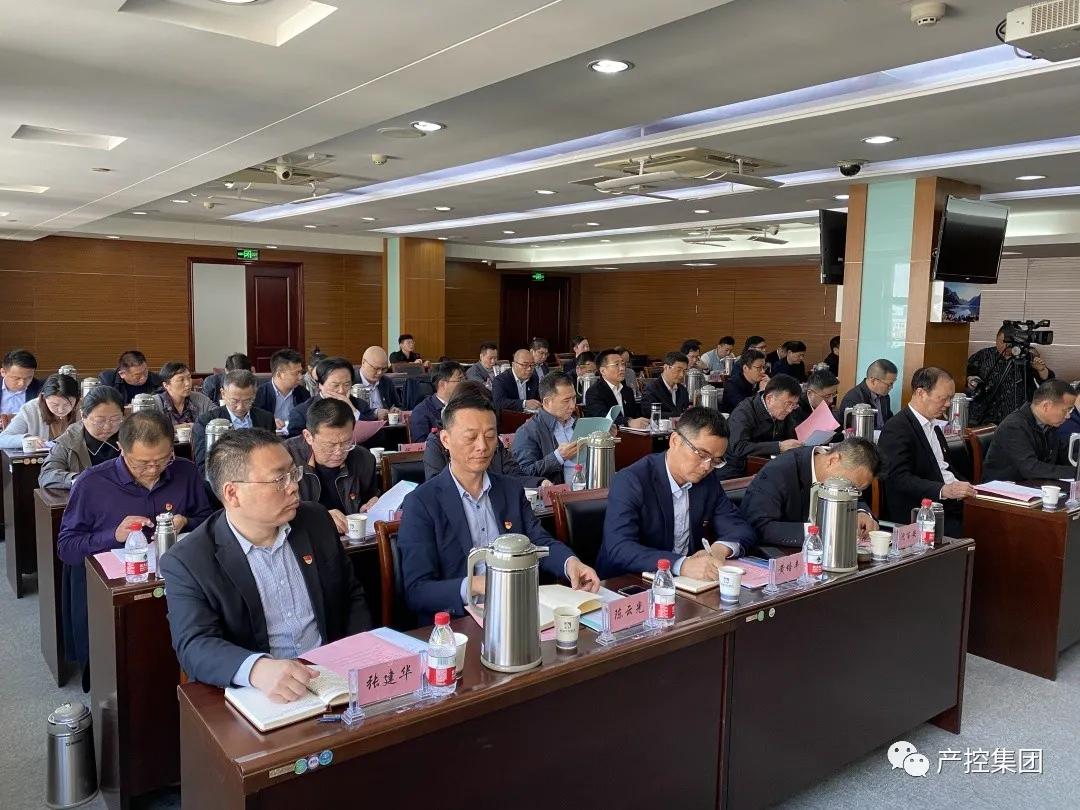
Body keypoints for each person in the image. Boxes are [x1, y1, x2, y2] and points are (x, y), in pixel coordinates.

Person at [160, 429, 372, 698]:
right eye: (279, 479)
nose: (293, 486)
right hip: (260, 691)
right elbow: (194, 644)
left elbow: (351, 594)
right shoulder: (188, 560)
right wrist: (256, 669)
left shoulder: (315, 520)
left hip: (332, 676)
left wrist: (358, 654)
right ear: (233, 493)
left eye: (293, 473)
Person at [397, 386, 599, 624]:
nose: (482, 446)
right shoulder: (422, 502)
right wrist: (475, 585)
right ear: (446, 440)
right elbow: (417, 591)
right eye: (471, 437)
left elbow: (538, 542)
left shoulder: (510, 490)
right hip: (457, 623)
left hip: (518, 610)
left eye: (490, 436)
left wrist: (570, 563)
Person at [58, 411, 211, 687]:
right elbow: (67, 547)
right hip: (116, 598)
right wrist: (113, 535)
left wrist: (186, 521)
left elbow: (209, 521)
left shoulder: (185, 472)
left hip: (177, 585)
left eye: (162, 460)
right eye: (142, 464)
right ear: (121, 448)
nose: (153, 470)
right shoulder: (92, 483)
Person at [597, 407, 755, 579]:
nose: (706, 467)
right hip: (628, 582)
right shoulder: (631, 480)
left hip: (686, 583)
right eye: (701, 454)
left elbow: (740, 528)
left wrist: (719, 550)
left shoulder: (707, 481)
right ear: (675, 441)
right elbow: (620, 548)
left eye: (715, 460)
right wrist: (680, 564)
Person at [878, 367, 976, 536]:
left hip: (951, 503)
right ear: (921, 393)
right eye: (943, 398)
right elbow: (898, 478)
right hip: (922, 511)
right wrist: (943, 490)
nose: (948, 404)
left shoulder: (934, 425)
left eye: (950, 398)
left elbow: (945, 468)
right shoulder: (897, 428)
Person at [740, 438, 880, 552]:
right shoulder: (779, 472)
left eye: (857, 490)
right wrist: (819, 531)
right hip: (781, 557)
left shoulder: (844, 479)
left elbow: (857, 498)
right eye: (851, 486)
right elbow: (758, 526)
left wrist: (862, 513)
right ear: (833, 460)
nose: (851, 493)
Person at [284, 398, 379, 534]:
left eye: (346, 442)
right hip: (304, 537)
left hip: (351, 538)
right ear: (308, 436)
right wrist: (319, 518)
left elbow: (370, 497)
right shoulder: (285, 458)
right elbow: (273, 511)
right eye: (330, 445)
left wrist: (373, 504)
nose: (339, 452)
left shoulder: (364, 459)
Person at [982, 380, 1077, 483]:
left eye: (1070, 411)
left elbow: (1064, 456)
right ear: (1046, 406)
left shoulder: (1050, 425)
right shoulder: (1014, 426)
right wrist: (1076, 472)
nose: (1068, 416)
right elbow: (1030, 468)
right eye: (1066, 410)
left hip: (1034, 484)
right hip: (1004, 487)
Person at [192, 370, 276, 477]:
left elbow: (272, 456)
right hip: (224, 479)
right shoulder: (206, 421)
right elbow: (204, 466)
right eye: (235, 401)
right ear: (223, 394)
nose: (240, 407)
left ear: (254, 394)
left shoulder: (266, 419)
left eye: (247, 401)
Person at [39, 386, 124, 490]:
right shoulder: (69, 440)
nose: (107, 426)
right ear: (83, 415)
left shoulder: (132, 435)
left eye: (115, 419)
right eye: (100, 421)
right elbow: (47, 475)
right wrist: (80, 479)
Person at [966, 325, 1054, 426]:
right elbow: (966, 373)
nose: (1005, 347)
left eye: (1010, 344)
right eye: (1002, 342)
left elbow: (1048, 383)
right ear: (996, 339)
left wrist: (1042, 370)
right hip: (984, 416)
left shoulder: (1026, 357)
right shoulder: (983, 355)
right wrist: (971, 379)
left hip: (1017, 418)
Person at [723, 374, 803, 478]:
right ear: (769, 398)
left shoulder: (785, 413)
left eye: (794, 405)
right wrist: (779, 446)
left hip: (765, 465)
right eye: (787, 404)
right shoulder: (744, 412)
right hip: (737, 469)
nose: (789, 410)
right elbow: (739, 448)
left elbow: (789, 437)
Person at [512, 371, 581, 484]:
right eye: (566, 401)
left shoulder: (577, 423)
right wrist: (558, 457)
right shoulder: (527, 431)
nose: (572, 406)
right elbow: (523, 473)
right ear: (547, 402)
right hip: (558, 491)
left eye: (574, 399)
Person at [286, 357, 375, 437]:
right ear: (320, 385)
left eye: (346, 384)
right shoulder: (301, 412)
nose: (341, 390)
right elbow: (295, 444)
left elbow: (375, 435)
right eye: (335, 385)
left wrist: (353, 411)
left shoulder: (360, 405)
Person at [0, 373, 79, 449]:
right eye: (55, 405)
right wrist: (26, 439)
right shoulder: (31, 409)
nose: (61, 410)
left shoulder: (83, 408)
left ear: (77, 398)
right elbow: (2, 439)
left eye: (67, 404)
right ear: (44, 398)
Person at [583, 349, 649, 428]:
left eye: (623, 364)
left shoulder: (627, 391)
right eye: (616, 364)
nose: (622, 368)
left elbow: (635, 416)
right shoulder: (594, 392)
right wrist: (628, 422)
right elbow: (602, 419)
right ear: (603, 371)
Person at [253, 349, 310, 428]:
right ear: (279, 375)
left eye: (301, 372)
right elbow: (255, 421)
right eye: (296, 373)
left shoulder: (303, 393)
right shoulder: (259, 394)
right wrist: (270, 421)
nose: (300, 377)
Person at [410, 361, 465, 441]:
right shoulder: (421, 411)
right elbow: (422, 445)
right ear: (442, 384)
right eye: (459, 380)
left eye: (464, 379)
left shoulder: (466, 406)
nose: (464, 384)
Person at [838, 359, 897, 431]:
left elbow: (889, 419)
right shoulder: (853, 398)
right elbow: (855, 431)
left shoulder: (884, 396)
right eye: (889, 384)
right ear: (873, 381)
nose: (891, 387)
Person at [155, 362, 214, 426]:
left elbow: (218, 417)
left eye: (189, 377)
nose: (188, 383)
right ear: (166, 385)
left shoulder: (200, 399)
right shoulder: (156, 403)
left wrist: (198, 427)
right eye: (181, 380)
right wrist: (173, 429)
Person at [353, 346, 403, 418]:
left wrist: (396, 410)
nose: (380, 373)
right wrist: (375, 414)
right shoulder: (351, 382)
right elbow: (350, 414)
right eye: (376, 368)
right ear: (363, 363)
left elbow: (398, 405)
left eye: (384, 369)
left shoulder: (387, 382)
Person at [99, 350, 163, 404]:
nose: (143, 377)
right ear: (122, 374)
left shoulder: (157, 380)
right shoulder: (108, 380)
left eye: (145, 372)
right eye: (138, 376)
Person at [640, 351, 690, 418]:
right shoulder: (651, 389)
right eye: (678, 370)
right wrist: (678, 415)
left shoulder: (683, 390)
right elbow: (648, 413)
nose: (682, 375)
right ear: (666, 367)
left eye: (684, 371)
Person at [1, 349, 42, 430]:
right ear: (3, 372)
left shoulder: (40, 389)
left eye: (28, 378)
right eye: (16, 378)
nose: (22, 383)